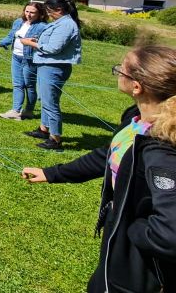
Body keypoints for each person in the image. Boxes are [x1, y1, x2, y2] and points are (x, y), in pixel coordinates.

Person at [21, 45, 176, 292]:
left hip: (142, 269)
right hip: (118, 249)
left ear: (137, 86)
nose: (117, 72)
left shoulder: (162, 149)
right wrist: (53, 173)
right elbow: (110, 155)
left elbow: (171, 234)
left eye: (121, 70)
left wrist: (129, 225)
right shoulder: (136, 119)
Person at [20, 0, 82, 151]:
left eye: (49, 11)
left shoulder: (66, 25)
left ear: (59, 10)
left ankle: (55, 139)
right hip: (46, 66)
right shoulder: (61, 22)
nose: (48, 14)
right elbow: (51, 42)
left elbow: (53, 49)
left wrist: (31, 43)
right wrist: (38, 39)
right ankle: (43, 130)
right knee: (45, 100)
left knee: (50, 103)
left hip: (54, 68)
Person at [0, 2, 48, 121]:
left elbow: (43, 45)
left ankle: (28, 111)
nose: (29, 14)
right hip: (16, 57)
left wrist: (33, 42)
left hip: (30, 59)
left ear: (40, 14)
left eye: (32, 12)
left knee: (29, 85)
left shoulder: (43, 27)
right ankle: (15, 110)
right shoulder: (18, 22)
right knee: (17, 84)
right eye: (27, 11)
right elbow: (10, 37)